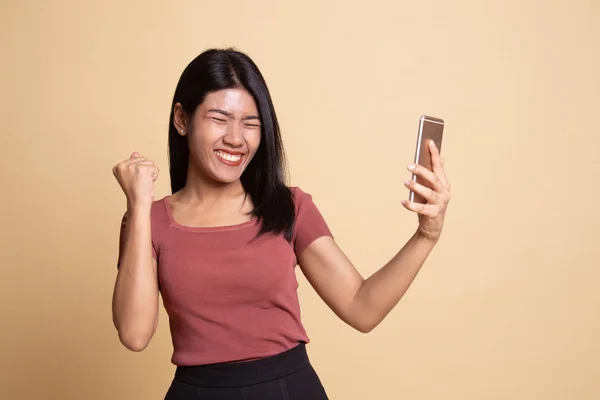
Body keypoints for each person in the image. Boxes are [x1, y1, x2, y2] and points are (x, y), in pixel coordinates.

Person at [111, 48, 451, 400]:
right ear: (182, 120)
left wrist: (426, 236)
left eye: (251, 123)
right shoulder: (149, 222)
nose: (235, 138)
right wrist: (138, 205)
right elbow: (134, 335)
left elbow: (361, 307)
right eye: (219, 118)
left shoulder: (289, 208)